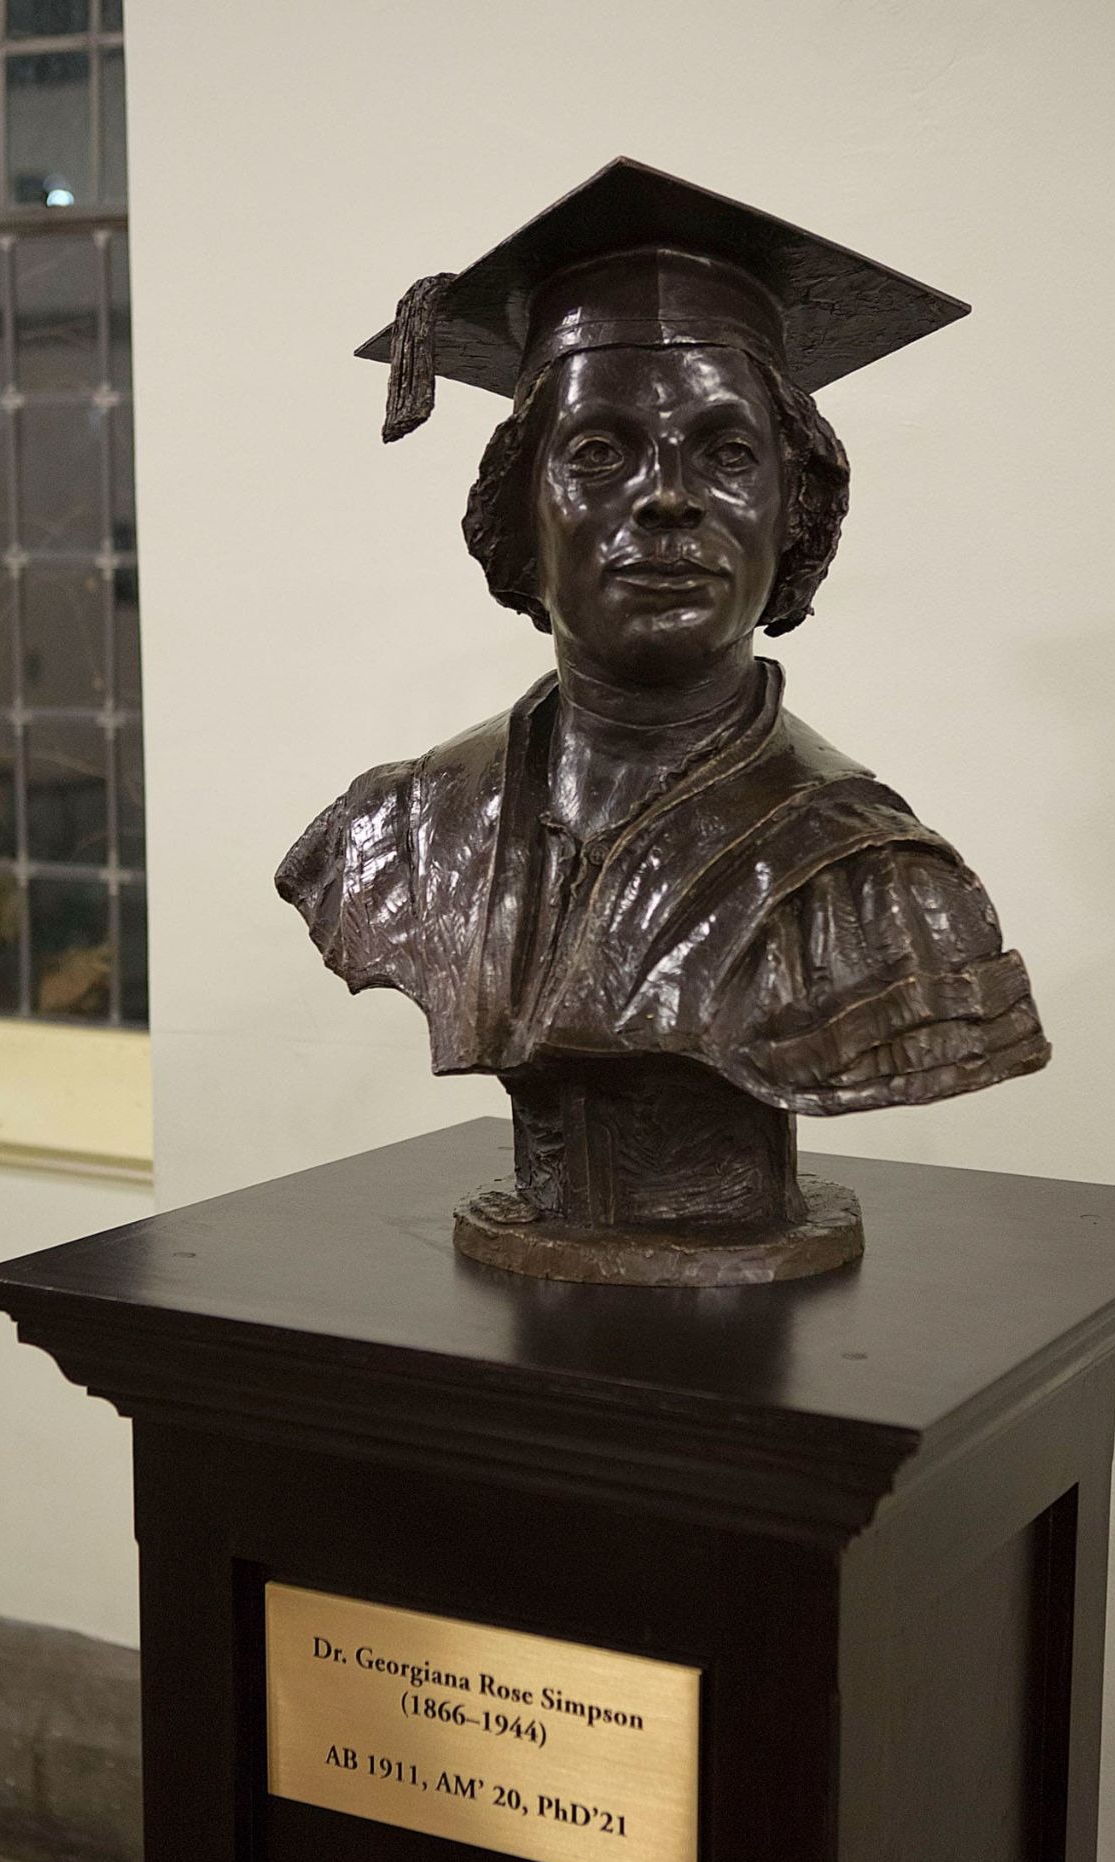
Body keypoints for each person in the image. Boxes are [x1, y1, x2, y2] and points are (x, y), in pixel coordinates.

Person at [276, 161, 1049, 1277]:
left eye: (727, 452)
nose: (667, 495)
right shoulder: (390, 832)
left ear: (795, 512)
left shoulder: (879, 880)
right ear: (518, 513)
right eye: (600, 451)